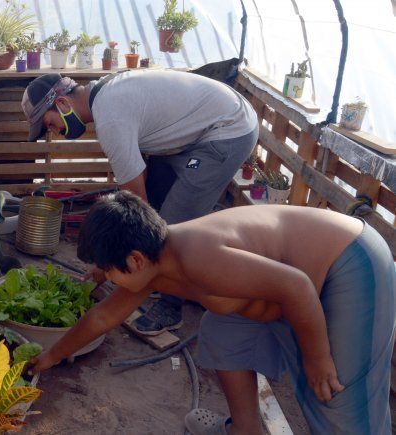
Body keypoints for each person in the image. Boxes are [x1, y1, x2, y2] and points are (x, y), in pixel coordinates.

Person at [27, 192, 395, 434]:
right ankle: (245, 430)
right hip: (293, 284)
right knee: (222, 327)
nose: (105, 279)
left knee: (335, 399)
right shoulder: (155, 263)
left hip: (348, 263)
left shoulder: (199, 257)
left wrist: (317, 358)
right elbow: (102, 318)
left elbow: (296, 286)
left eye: (108, 270)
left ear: (135, 259)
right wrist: (51, 356)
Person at [21, 70, 258, 334]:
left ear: (63, 104)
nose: (56, 132)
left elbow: (137, 207)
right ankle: (171, 278)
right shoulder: (103, 93)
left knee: (173, 227)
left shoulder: (110, 117)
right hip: (201, 127)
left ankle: (171, 307)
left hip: (227, 130)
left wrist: (107, 264)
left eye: (50, 124)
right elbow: (141, 178)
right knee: (160, 205)